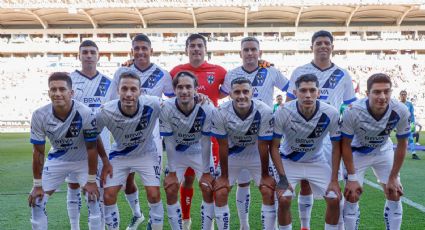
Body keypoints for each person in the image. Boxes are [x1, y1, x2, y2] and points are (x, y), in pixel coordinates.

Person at [286, 30, 356, 230]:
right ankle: (305, 226)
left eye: (327, 43)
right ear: (312, 47)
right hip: (303, 135)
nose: (323, 46)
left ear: (332, 47)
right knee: (305, 182)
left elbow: (351, 105)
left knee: (334, 189)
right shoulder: (299, 71)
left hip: (330, 137)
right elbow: (290, 103)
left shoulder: (343, 74)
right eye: (319, 43)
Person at [219, 36, 289, 229]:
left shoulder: (271, 70)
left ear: (259, 52)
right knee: (242, 184)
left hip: (263, 137)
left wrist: (285, 110)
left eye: (253, 49)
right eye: (246, 50)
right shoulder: (232, 74)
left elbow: (291, 90)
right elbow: (222, 96)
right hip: (237, 140)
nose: (250, 53)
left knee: (269, 187)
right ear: (240, 53)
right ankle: (244, 225)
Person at [111, 34, 175, 229]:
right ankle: (137, 214)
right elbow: (112, 101)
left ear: (151, 51)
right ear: (132, 51)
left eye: (143, 48)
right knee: (126, 180)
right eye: (136, 48)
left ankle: (152, 220)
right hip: (125, 133)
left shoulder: (162, 74)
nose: (140, 52)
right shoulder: (122, 71)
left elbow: (172, 101)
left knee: (152, 185)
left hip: (151, 137)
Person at [28, 72, 102, 230]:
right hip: (58, 160)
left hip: (83, 160)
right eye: (53, 90)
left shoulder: (85, 112)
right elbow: (38, 153)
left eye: (62, 89)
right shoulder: (39, 115)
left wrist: (91, 181)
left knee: (93, 198)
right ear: (49, 93)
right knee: (37, 202)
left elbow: (91, 148)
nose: (57, 93)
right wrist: (37, 184)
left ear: (71, 93)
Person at [271, 74, 342, 230]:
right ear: (295, 93)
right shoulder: (282, 112)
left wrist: (335, 179)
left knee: (335, 198)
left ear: (319, 92)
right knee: (283, 199)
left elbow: (337, 147)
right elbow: (274, 146)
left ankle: (306, 227)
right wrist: (282, 178)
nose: (308, 95)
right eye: (303, 90)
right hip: (289, 161)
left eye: (312, 90)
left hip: (316, 161)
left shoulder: (331, 113)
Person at [169, 34, 226, 229]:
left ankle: (208, 224)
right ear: (186, 49)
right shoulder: (176, 71)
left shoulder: (218, 71)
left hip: (209, 137)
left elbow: (235, 84)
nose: (196, 49)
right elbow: (171, 99)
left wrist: (261, 63)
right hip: (184, 137)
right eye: (192, 46)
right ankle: (185, 220)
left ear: (205, 49)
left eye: (199, 45)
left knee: (208, 182)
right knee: (187, 179)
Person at [341, 73, 410, 230]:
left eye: (387, 91)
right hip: (357, 153)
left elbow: (402, 143)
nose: (382, 96)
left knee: (394, 191)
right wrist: (351, 177)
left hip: (383, 150)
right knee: (352, 195)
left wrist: (393, 177)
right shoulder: (353, 111)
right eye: (377, 92)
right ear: (367, 93)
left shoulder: (401, 110)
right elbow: (344, 144)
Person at [98, 70, 164, 230]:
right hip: (120, 155)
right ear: (118, 90)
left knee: (154, 194)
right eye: (124, 89)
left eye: (133, 89)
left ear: (140, 92)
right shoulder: (106, 110)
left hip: (146, 153)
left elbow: (178, 105)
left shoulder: (153, 103)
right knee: (108, 195)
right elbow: (92, 135)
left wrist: (198, 97)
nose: (128, 94)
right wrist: (105, 161)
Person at [211, 77, 276, 230]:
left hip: (256, 156)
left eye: (245, 91)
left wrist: (265, 175)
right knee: (220, 192)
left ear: (252, 93)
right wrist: (224, 177)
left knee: (268, 190)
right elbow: (223, 145)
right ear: (230, 95)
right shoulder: (220, 112)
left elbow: (263, 145)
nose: (241, 96)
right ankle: (243, 226)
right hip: (232, 157)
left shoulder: (264, 111)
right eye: (237, 92)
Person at [67, 39, 114, 230]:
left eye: (92, 52)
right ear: (79, 55)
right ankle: (75, 226)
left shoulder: (109, 83)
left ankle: (98, 225)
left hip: (102, 141)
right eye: (84, 52)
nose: (88, 55)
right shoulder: (69, 80)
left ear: (98, 56)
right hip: (74, 142)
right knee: (73, 186)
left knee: (100, 186)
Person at [160, 71, 216, 230]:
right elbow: (169, 142)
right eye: (180, 87)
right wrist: (171, 172)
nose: (184, 91)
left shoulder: (206, 107)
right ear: (174, 89)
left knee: (208, 187)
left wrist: (206, 171)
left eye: (188, 87)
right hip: (177, 153)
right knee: (170, 188)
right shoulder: (167, 107)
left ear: (196, 89)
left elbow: (206, 141)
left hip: (200, 151)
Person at [399, 90, 419, 160]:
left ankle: (413, 153)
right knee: (401, 140)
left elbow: (412, 115)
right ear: (400, 95)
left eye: (404, 94)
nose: (403, 96)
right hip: (400, 125)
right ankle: (399, 155)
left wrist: (413, 124)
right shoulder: (398, 104)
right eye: (402, 94)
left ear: (406, 95)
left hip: (407, 124)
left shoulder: (409, 104)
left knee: (410, 138)